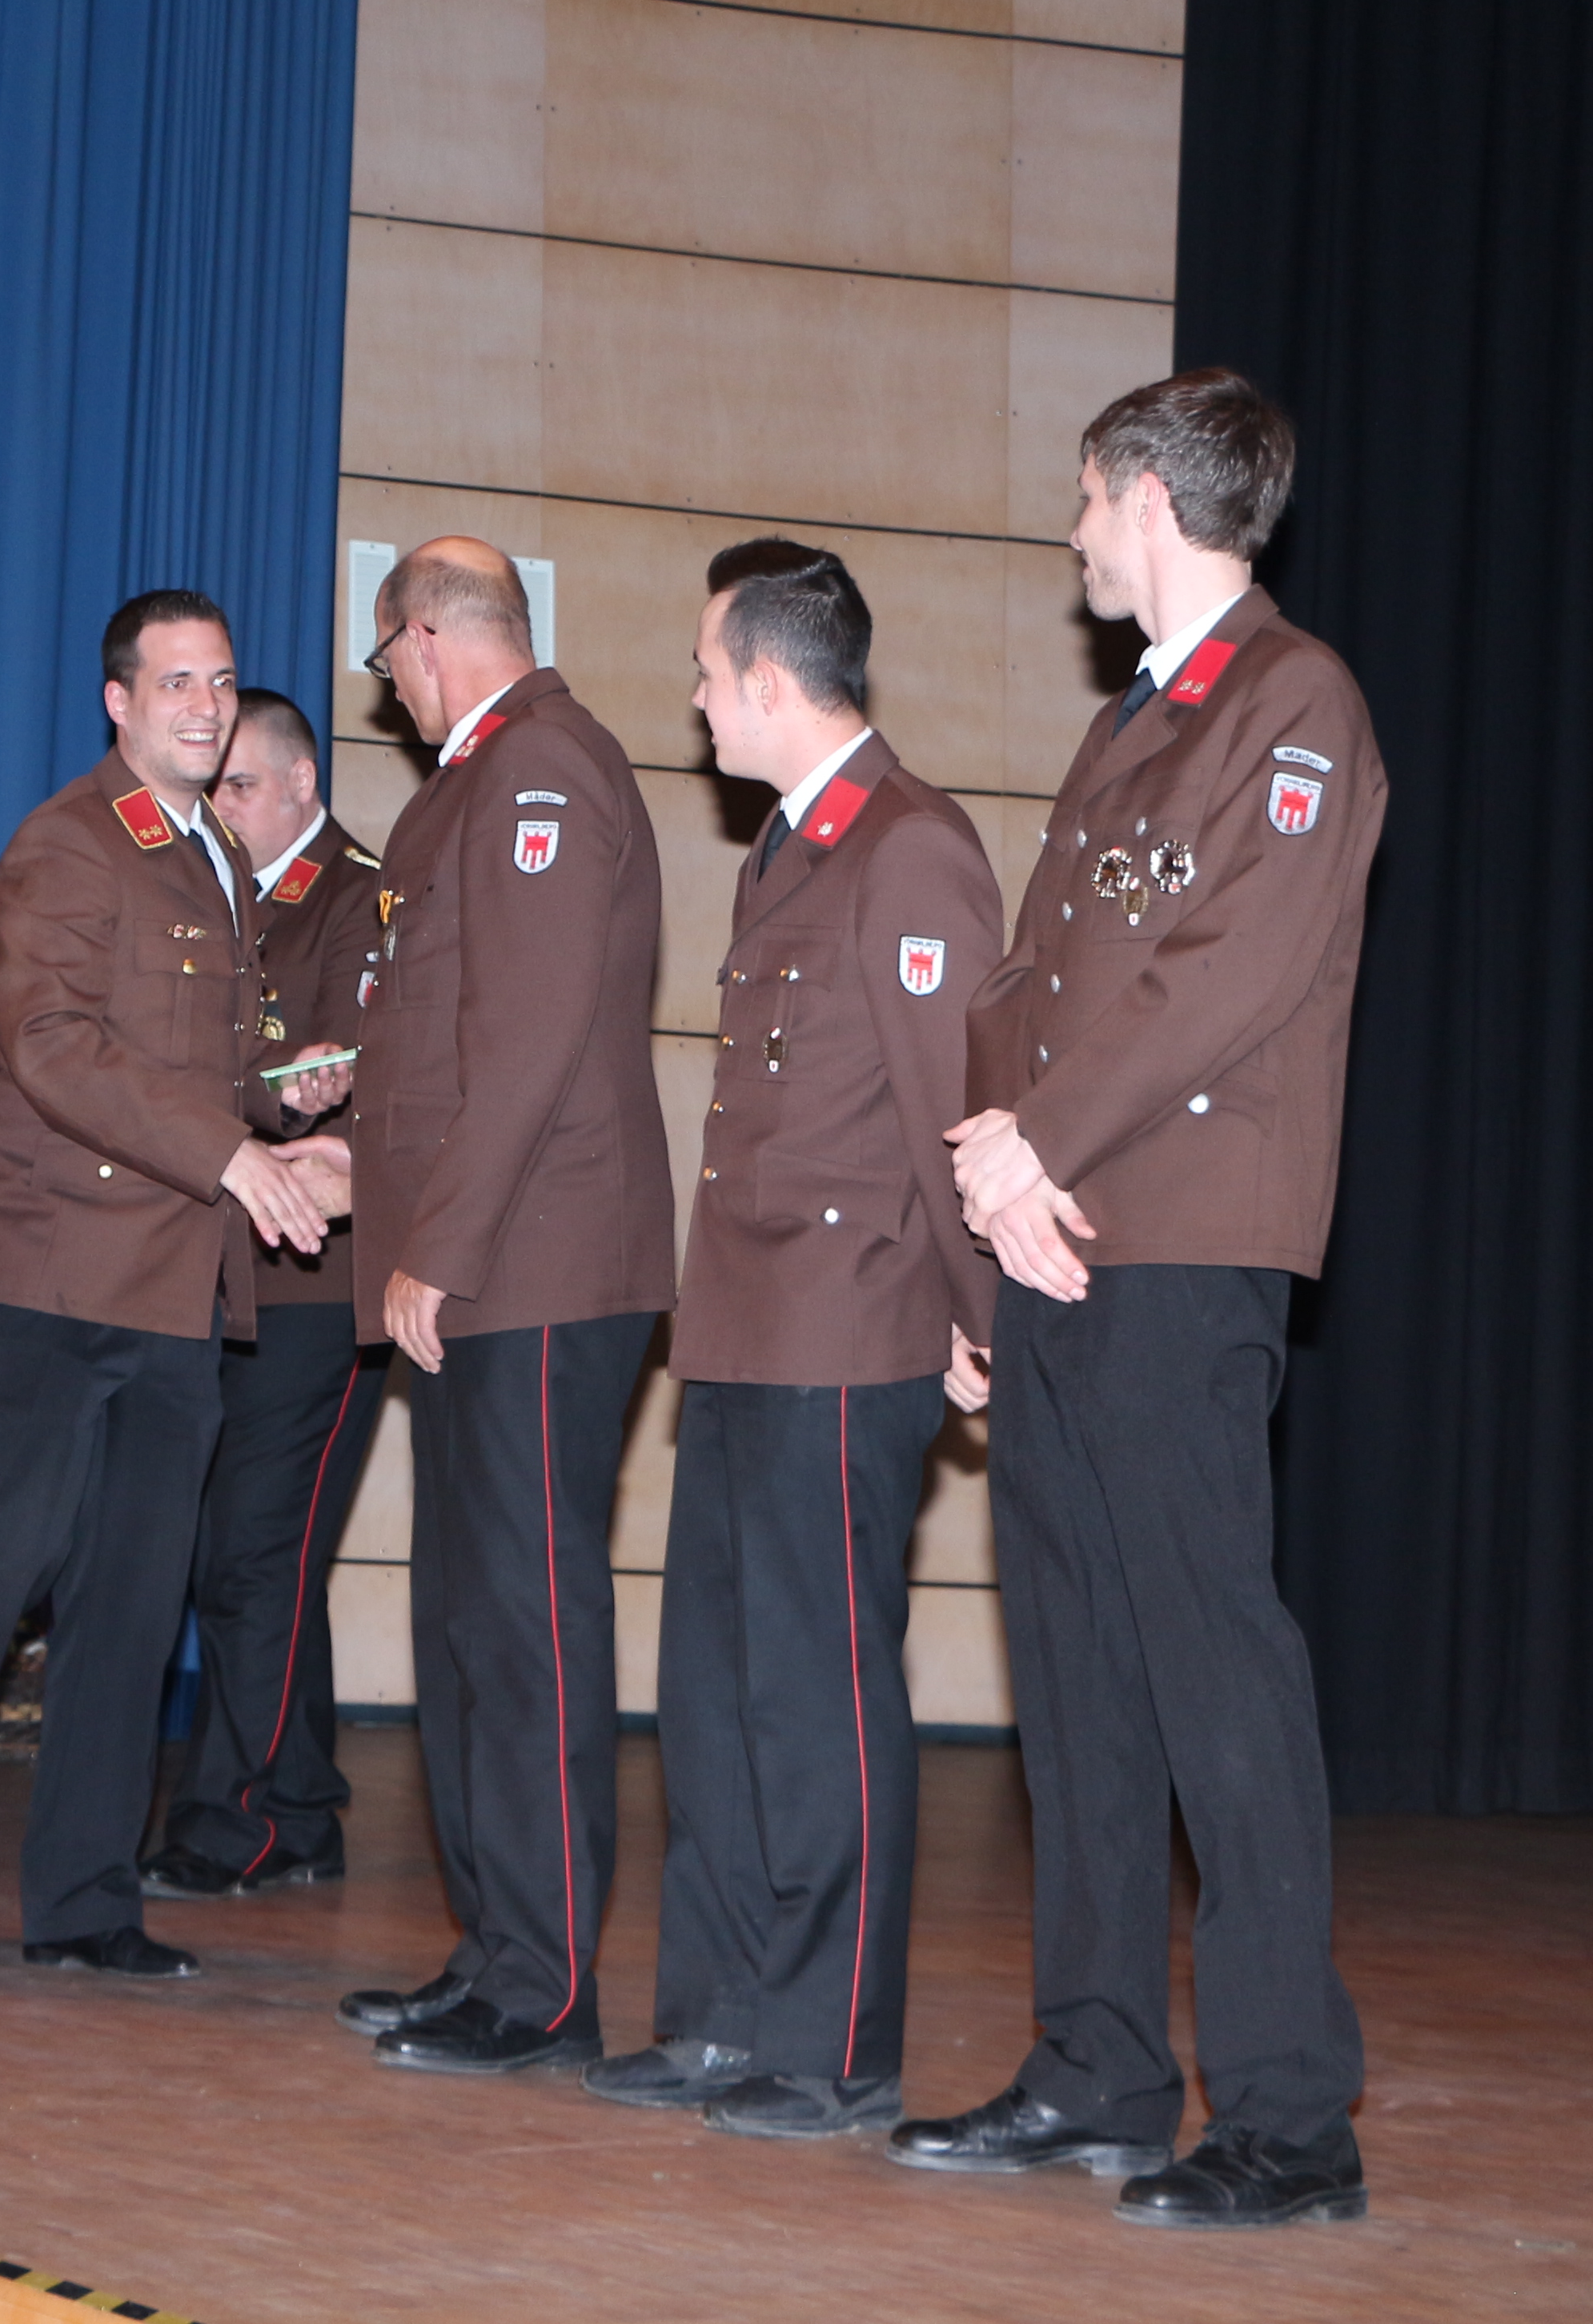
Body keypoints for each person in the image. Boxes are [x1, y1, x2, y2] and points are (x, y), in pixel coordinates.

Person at [905, 367, 1387, 2228]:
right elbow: (1030, 983)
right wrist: (996, 1193)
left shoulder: (1293, 700)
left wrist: (1035, 1144)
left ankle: (1289, 2114)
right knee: (1080, 1672)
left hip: (1181, 1236)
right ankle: (1096, 2062)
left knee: (1211, 1669)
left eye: (1086, 501)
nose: (1073, 536)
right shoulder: (1136, 718)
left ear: (1147, 499)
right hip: (1060, 1234)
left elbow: (1226, 972)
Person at [0, 592, 343, 1980]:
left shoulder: (219, 855)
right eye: (176, 683)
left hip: (172, 1285)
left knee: (135, 1595)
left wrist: (283, 1105)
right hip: (40, 1267)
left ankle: (84, 1903)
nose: (204, 707)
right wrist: (230, 1152)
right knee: (1, 1564)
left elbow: (195, 1067)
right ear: (118, 701)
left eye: (220, 682)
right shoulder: (68, 843)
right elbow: (52, 1044)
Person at [584, 542, 1002, 2141]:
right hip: (745, 1326)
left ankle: (831, 2045)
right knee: (711, 1689)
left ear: (768, 680)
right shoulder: (789, 847)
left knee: (817, 1699)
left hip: (846, 1329)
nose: (693, 701)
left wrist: (983, 1321)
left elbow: (954, 1107)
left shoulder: (909, 848)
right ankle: (715, 2016)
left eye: (706, 675)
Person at [334, 536, 678, 2075]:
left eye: (386, 663)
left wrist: (443, 1242)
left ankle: (541, 1986)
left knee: (526, 1622)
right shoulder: (471, 782)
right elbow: (442, 1043)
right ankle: (493, 1950)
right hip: (481, 1268)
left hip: (531, 1264)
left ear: (423, 638)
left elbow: (531, 1036)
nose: (389, 692)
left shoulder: (539, 764)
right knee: (469, 1617)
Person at [141, 688, 395, 1899]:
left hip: (318, 1277)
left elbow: (337, 1069)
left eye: (241, 786)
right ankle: (295, 1805)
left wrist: (252, 1093)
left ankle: (237, 1819)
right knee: (246, 1549)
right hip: (223, 1267)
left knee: (253, 1548)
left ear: (304, 785)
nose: (222, 808)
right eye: (213, 788)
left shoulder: (362, 898)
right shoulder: (214, 897)